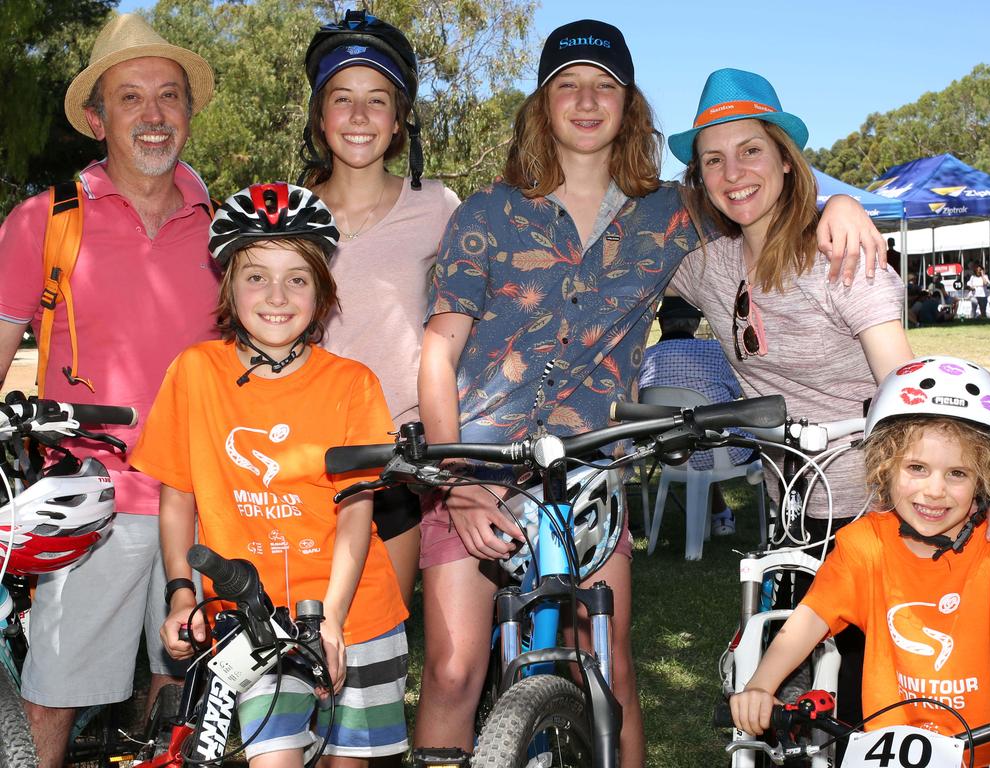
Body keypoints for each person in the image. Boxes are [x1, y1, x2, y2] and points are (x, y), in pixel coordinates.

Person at [414, 23, 886, 767]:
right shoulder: (487, 213)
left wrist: (836, 206)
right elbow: (437, 350)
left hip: (588, 467)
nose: (587, 100)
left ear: (630, 106)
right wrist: (460, 484)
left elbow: (756, 195)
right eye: (567, 83)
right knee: (451, 669)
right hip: (478, 460)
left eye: (606, 85)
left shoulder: (668, 213)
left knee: (611, 666)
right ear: (541, 105)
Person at [0, 14, 220, 765]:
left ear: (189, 115)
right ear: (98, 118)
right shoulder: (44, 222)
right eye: (131, 98)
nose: (154, 115)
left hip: (206, 501)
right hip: (90, 500)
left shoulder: (226, 232)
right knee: (51, 694)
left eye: (169, 97)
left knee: (184, 690)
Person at [667, 68, 915, 724]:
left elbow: (903, 382)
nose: (733, 172)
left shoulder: (841, 257)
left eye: (751, 149)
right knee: (793, 703)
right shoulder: (708, 267)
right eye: (712, 160)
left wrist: (839, 203)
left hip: (882, 512)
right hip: (794, 515)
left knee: (877, 701)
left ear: (784, 158)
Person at [130, 183, 409, 765]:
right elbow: (178, 500)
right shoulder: (195, 372)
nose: (276, 296)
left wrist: (331, 619)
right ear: (229, 287)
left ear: (322, 293)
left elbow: (357, 509)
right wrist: (182, 594)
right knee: (272, 756)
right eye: (256, 276)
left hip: (355, 611)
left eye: (297, 279)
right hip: (253, 617)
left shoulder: (353, 384)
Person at [728, 356, 990, 768]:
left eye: (957, 474)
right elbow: (810, 619)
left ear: (983, 479)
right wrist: (761, 684)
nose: (934, 490)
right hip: (893, 753)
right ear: (886, 465)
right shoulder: (866, 544)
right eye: (917, 468)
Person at [298, 10, 460, 611]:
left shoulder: (440, 205)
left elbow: (484, 312)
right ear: (320, 118)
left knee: (380, 629)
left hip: (401, 452)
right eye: (342, 99)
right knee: (300, 632)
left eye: (377, 100)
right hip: (304, 449)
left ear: (399, 121)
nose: (359, 117)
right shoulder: (288, 214)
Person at [638, 296, 755, 535]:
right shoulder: (715, 351)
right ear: (694, 323)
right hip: (724, 451)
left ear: (662, 323)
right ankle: (775, 519)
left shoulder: (643, 359)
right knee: (726, 434)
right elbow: (740, 392)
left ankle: (720, 515)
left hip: (671, 454)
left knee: (696, 436)